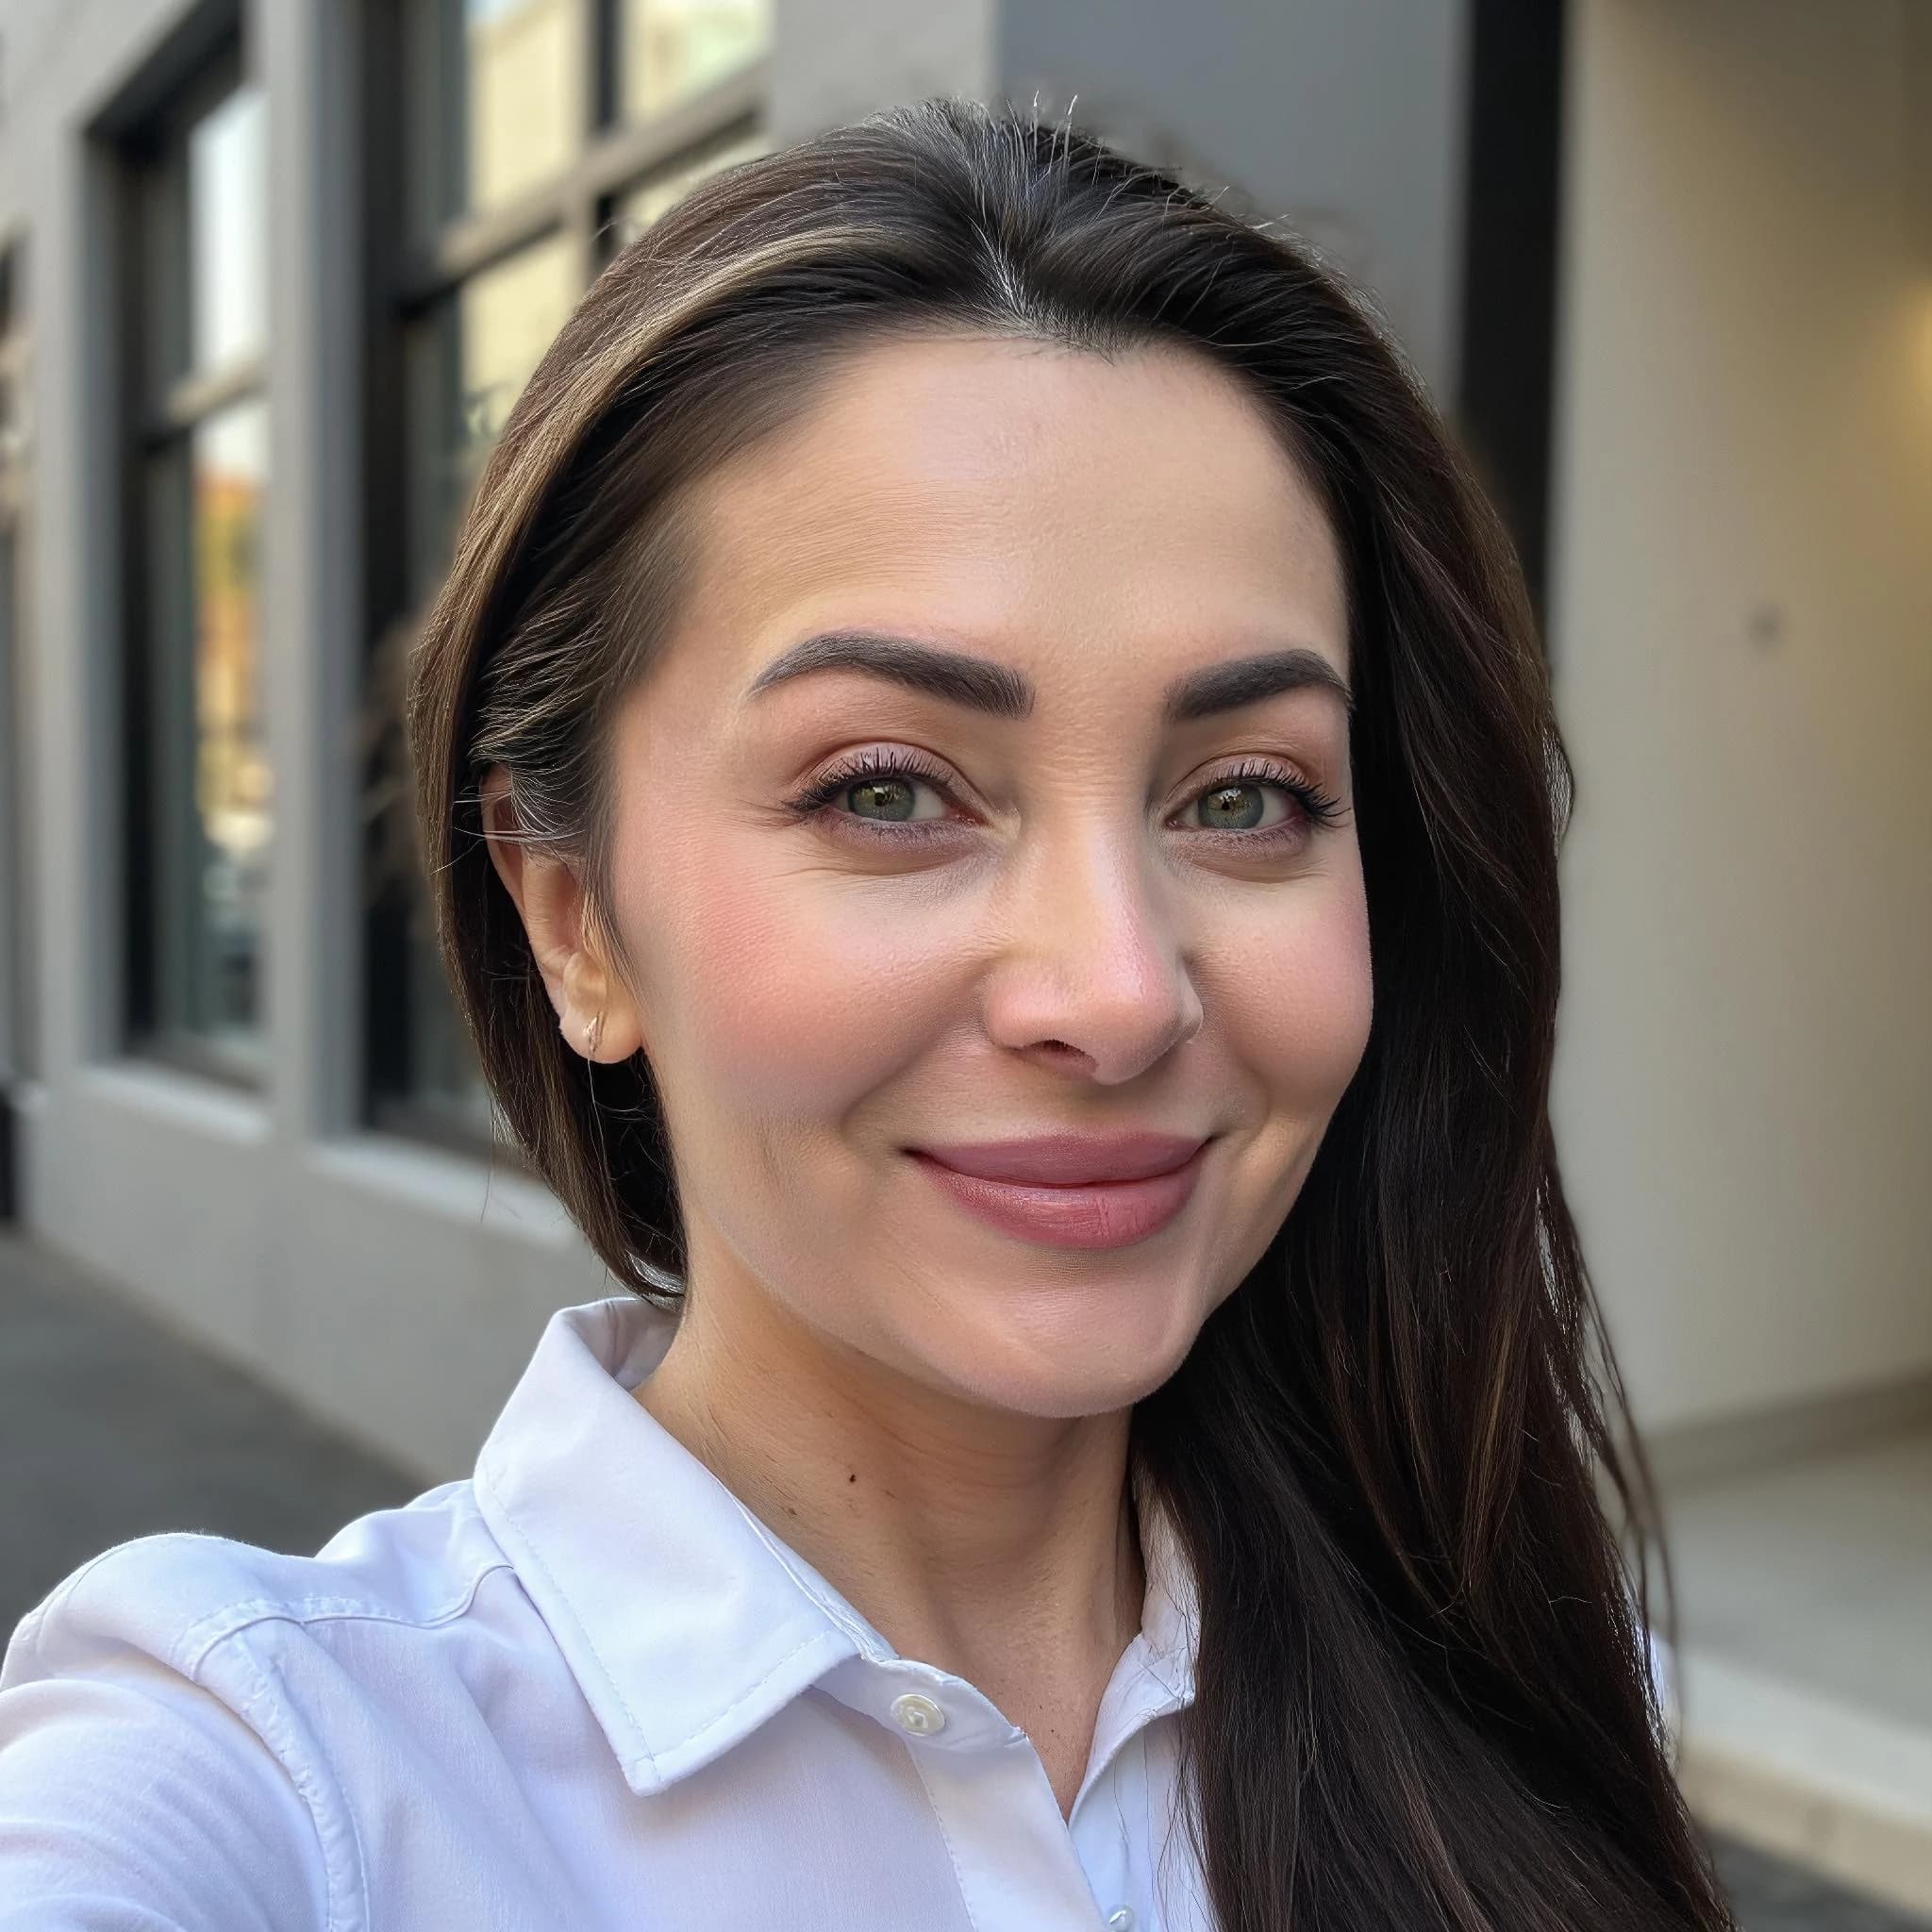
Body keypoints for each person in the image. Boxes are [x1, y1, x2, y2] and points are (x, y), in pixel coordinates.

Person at [0, 99, 1725, 1930]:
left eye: (1244, 796)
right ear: (570, 916)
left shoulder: (1524, 1674)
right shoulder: (279, 1773)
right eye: (889, 790)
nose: (1119, 993)